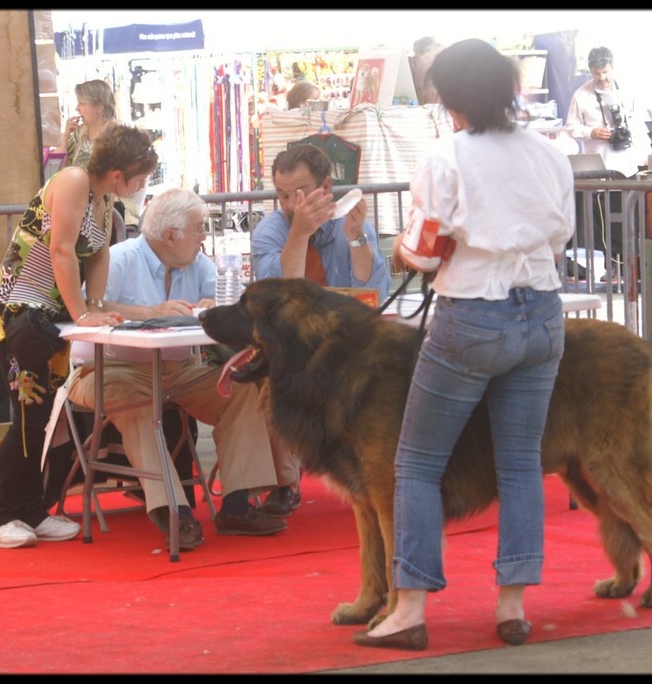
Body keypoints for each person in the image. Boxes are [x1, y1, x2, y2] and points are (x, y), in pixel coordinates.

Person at [353, 38, 574, 651]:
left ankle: (410, 608)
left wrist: (402, 250)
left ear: (450, 96)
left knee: (418, 463)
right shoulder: (548, 152)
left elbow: (423, 251)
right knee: (522, 462)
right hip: (542, 313)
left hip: (472, 317)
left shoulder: (446, 155)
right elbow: (558, 239)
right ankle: (511, 605)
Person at [66, 188, 290, 548]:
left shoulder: (199, 263)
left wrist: (214, 306)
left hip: (176, 367)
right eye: (199, 228)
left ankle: (237, 503)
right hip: (107, 369)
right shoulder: (120, 258)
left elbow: (227, 309)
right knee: (139, 406)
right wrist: (152, 312)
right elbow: (91, 306)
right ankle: (172, 509)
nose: (205, 236)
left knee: (243, 391)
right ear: (171, 236)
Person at [0, 122, 158, 549]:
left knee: (46, 417)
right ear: (119, 173)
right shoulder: (74, 180)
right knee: (28, 414)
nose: (142, 184)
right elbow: (61, 248)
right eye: (141, 176)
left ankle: (32, 509)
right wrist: (81, 310)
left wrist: (92, 307)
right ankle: (0, 513)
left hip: (53, 322)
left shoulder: (104, 198)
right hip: (19, 316)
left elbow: (97, 255)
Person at [250, 143, 392, 517]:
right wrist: (298, 233)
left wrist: (357, 236)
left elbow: (375, 290)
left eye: (299, 193)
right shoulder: (270, 231)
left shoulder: (349, 221)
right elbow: (279, 293)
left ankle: (382, 474)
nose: (290, 204)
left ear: (326, 186)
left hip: (347, 344)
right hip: (292, 347)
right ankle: (285, 484)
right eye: (281, 195)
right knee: (271, 383)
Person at [565, 46, 651, 273]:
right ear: (590, 72)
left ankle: (631, 266)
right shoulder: (581, 95)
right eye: (596, 73)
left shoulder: (628, 91)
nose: (601, 78)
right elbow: (571, 128)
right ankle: (611, 265)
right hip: (600, 166)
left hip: (628, 163)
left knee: (630, 215)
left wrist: (644, 155)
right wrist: (591, 132)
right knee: (603, 221)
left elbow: (638, 126)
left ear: (612, 66)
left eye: (605, 72)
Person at [58, 79, 145, 234]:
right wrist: (65, 138)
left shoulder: (121, 136)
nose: (78, 109)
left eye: (82, 103)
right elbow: (60, 170)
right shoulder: (79, 134)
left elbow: (137, 178)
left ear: (98, 107)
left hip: (117, 216)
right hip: (82, 214)